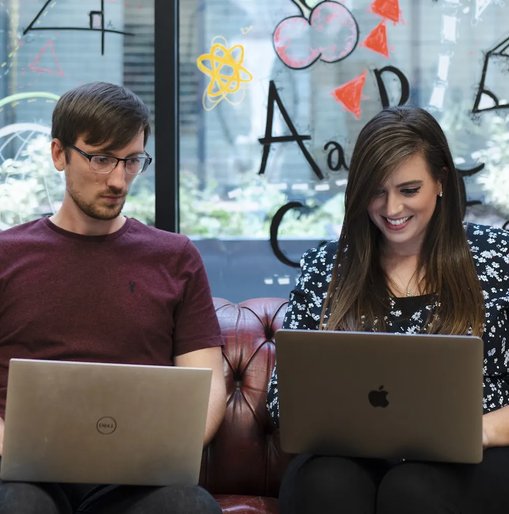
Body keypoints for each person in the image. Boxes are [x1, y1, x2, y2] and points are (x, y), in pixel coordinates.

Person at [267, 106, 509, 514]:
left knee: (413, 488)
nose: (392, 208)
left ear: (442, 182)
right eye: (376, 192)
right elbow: (281, 398)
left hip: (473, 458)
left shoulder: (499, 258)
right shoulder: (327, 267)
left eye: (408, 190)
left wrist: (478, 431)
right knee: (326, 484)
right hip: (345, 456)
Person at [0, 82, 226, 514]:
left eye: (133, 161)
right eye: (101, 159)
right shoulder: (6, 255)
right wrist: (12, 446)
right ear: (58, 154)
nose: (119, 180)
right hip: (21, 475)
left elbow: (209, 384)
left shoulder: (175, 257)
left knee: (189, 507)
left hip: (137, 480)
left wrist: (161, 450)